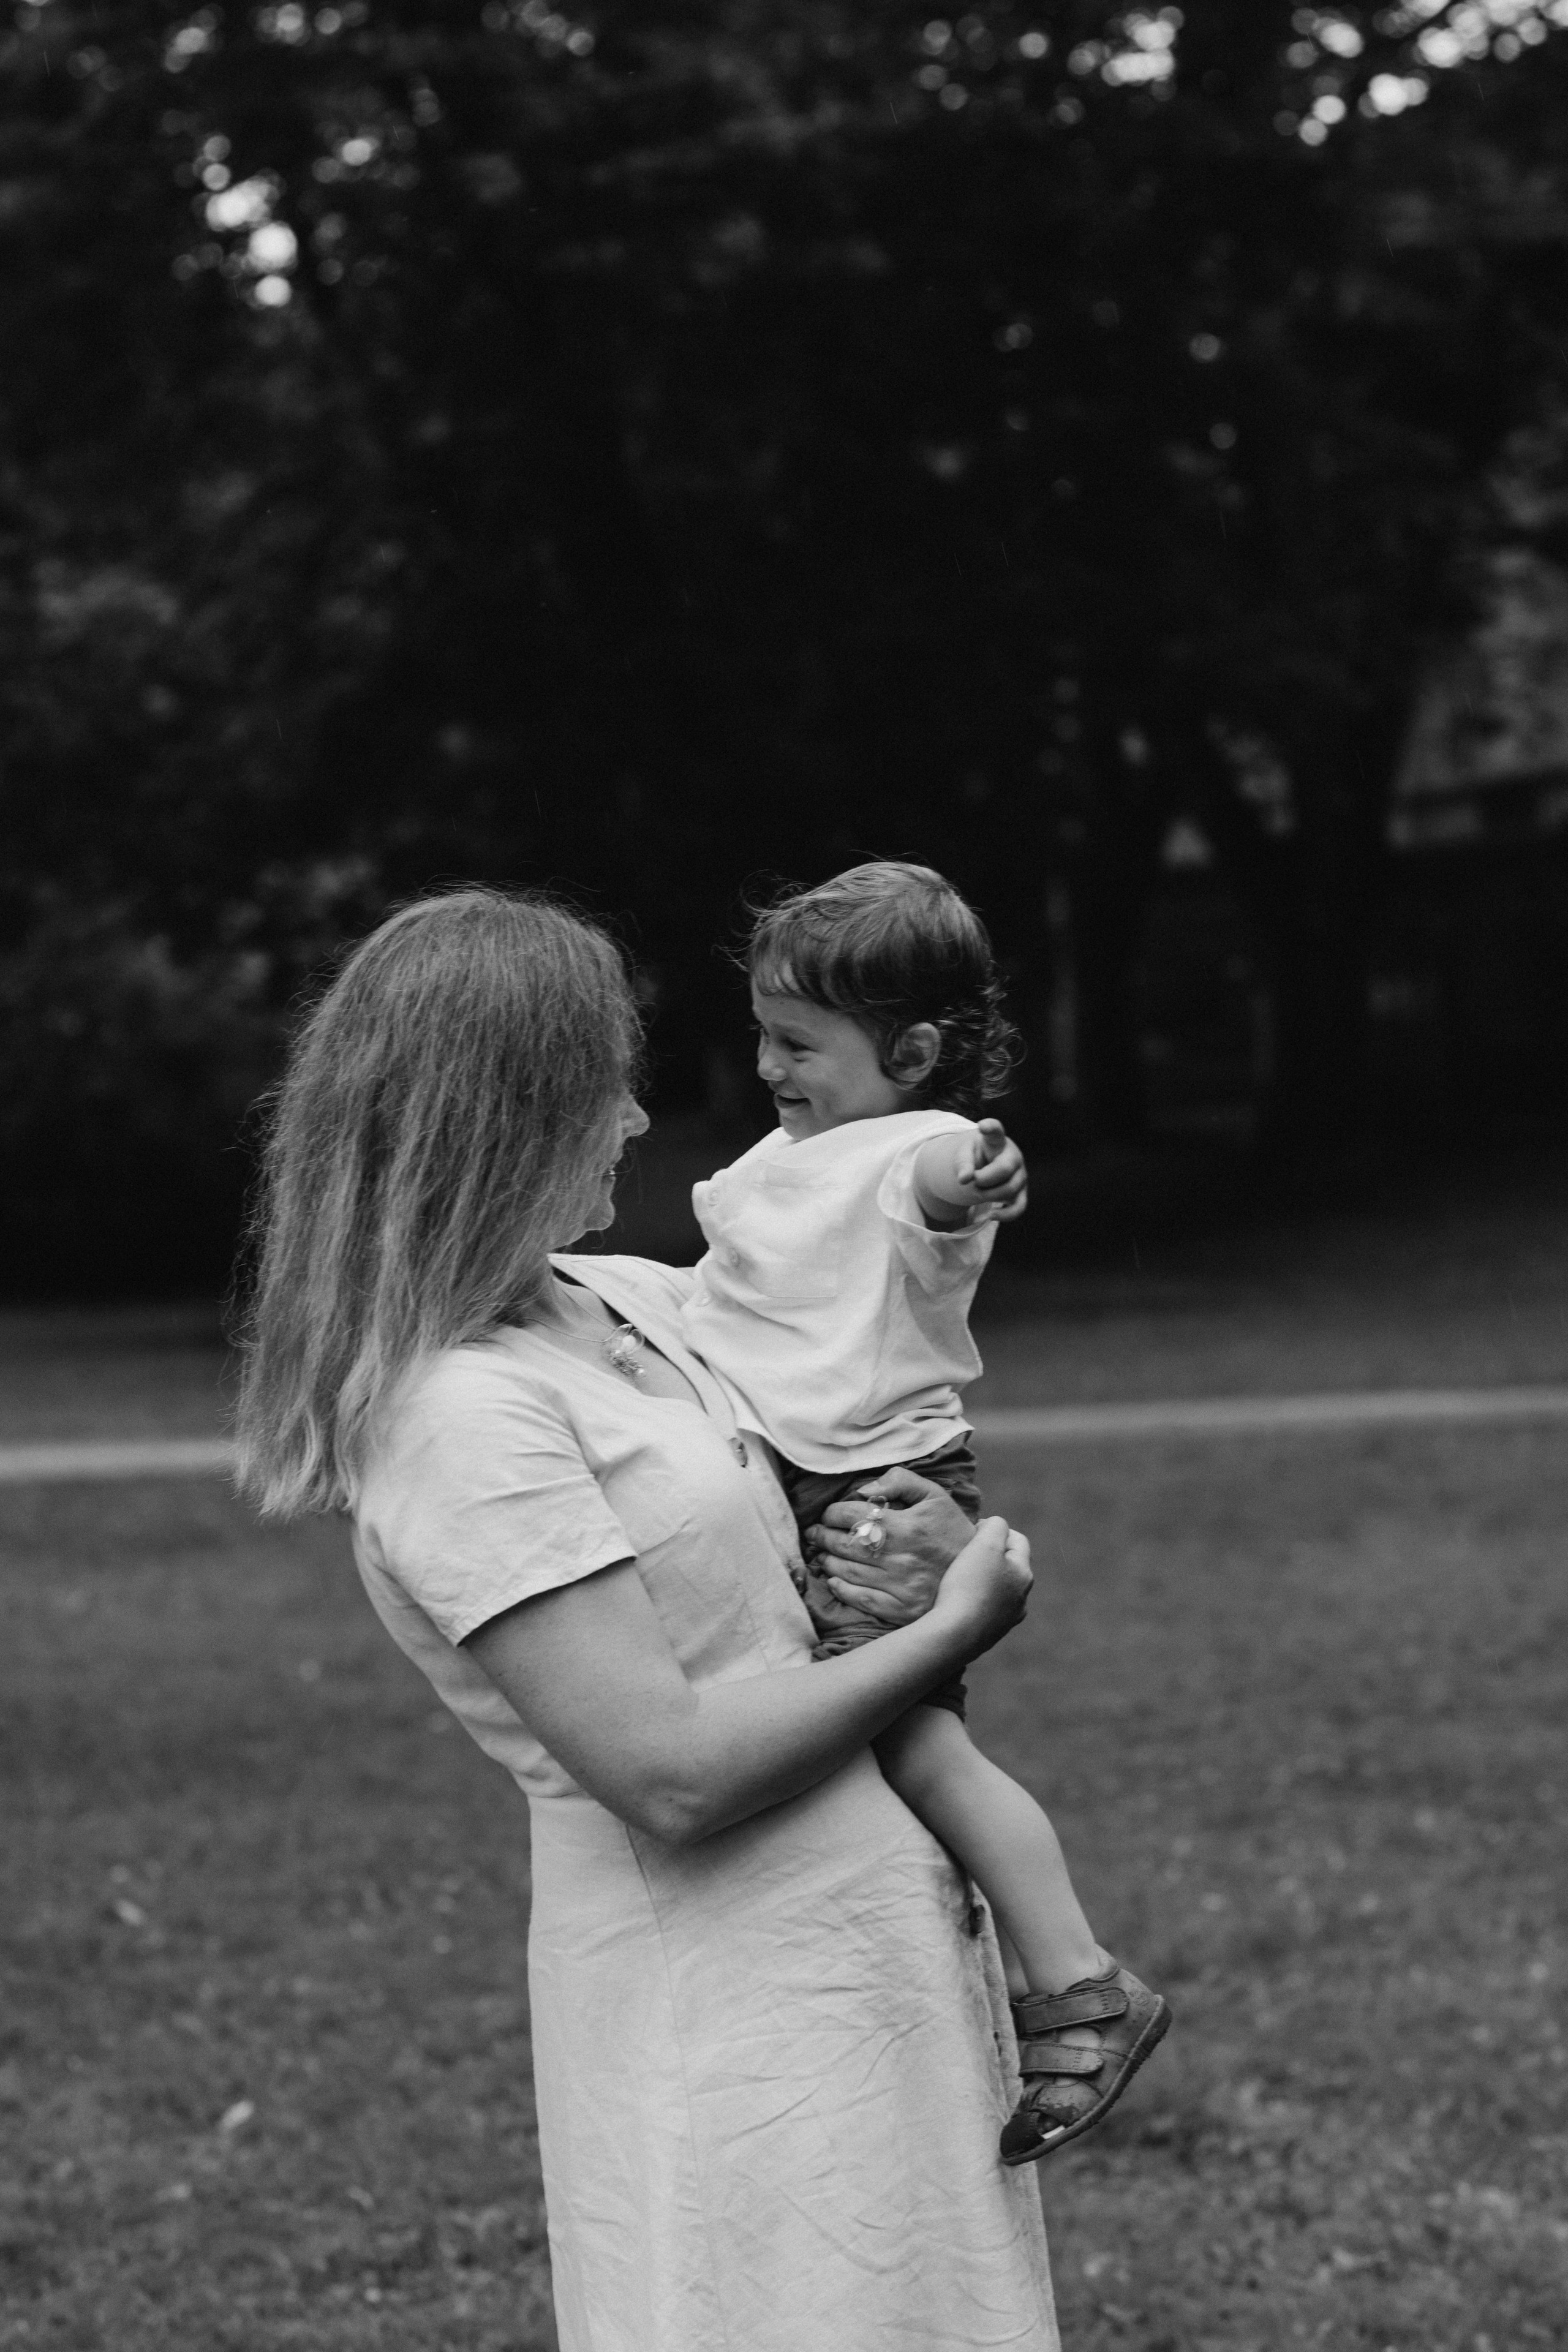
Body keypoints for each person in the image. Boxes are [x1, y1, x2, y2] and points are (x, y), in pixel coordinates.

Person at [234, 887, 1060, 2352]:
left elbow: (844, 1403)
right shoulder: (457, 1416)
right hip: (731, 2021)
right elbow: (667, 1772)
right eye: (601, 1087)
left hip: (878, 1964)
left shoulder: (625, 1301)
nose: (632, 1118)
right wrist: (951, 1630)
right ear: (507, 1119)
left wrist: (928, 1550)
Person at [680, 859, 1169, 2165]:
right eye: (762, 1034)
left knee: (911, 1749)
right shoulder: (793, 1155)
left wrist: (980, 1170)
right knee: (855, 1750)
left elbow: (948, 1178)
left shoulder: (909, 1151)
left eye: (798, 1043)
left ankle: (1078, 1983)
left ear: (907, 1054)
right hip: (812, 1470)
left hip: (873, 1491)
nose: (768, 1065)